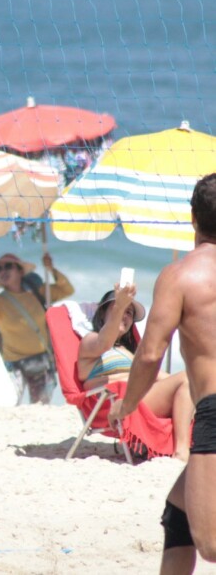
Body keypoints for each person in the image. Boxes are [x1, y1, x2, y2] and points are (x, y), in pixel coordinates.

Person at [109, 173, 216, 571]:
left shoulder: (181, 276)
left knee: (210, 543)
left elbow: (151, 354)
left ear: (193, 218)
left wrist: (127, 405)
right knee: (179, 511)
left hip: (214, 410)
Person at [78, 287, 194, 461]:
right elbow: (104, 343)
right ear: (102, 314)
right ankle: (182, 451)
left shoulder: (127, 352)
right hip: (117, 403)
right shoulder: (90, 341)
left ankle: (186, 447)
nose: (125, 315)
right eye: (118, 309)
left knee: (192, 381)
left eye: (129, 313)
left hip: (137, 397)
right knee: (186, 378)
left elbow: (158, 376)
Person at [0, 251, 74, 404]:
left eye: (8, 266)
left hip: (41, 361)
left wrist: (51, 269)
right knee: (10, 403)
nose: (3, 271)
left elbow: (67, 289)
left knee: (41, 407)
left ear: (20, 271)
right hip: (14, 362)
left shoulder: (39, 293)